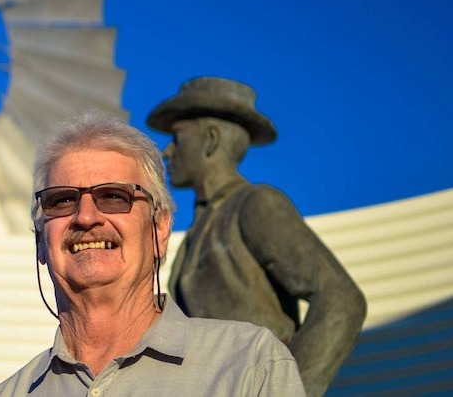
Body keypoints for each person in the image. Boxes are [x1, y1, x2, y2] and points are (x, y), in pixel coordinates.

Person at [0, 111, 305, 396]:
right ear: (41, 239)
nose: (85, 217)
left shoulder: (249, 366)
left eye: (113, 196)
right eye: (62, 200)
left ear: (160, 229)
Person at [146, 77, 367, 397]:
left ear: (210, 139)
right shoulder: (195, 234)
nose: (166, 152)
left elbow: (342, 301)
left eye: (177, 137)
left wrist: (289, 389)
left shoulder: (256, 204)